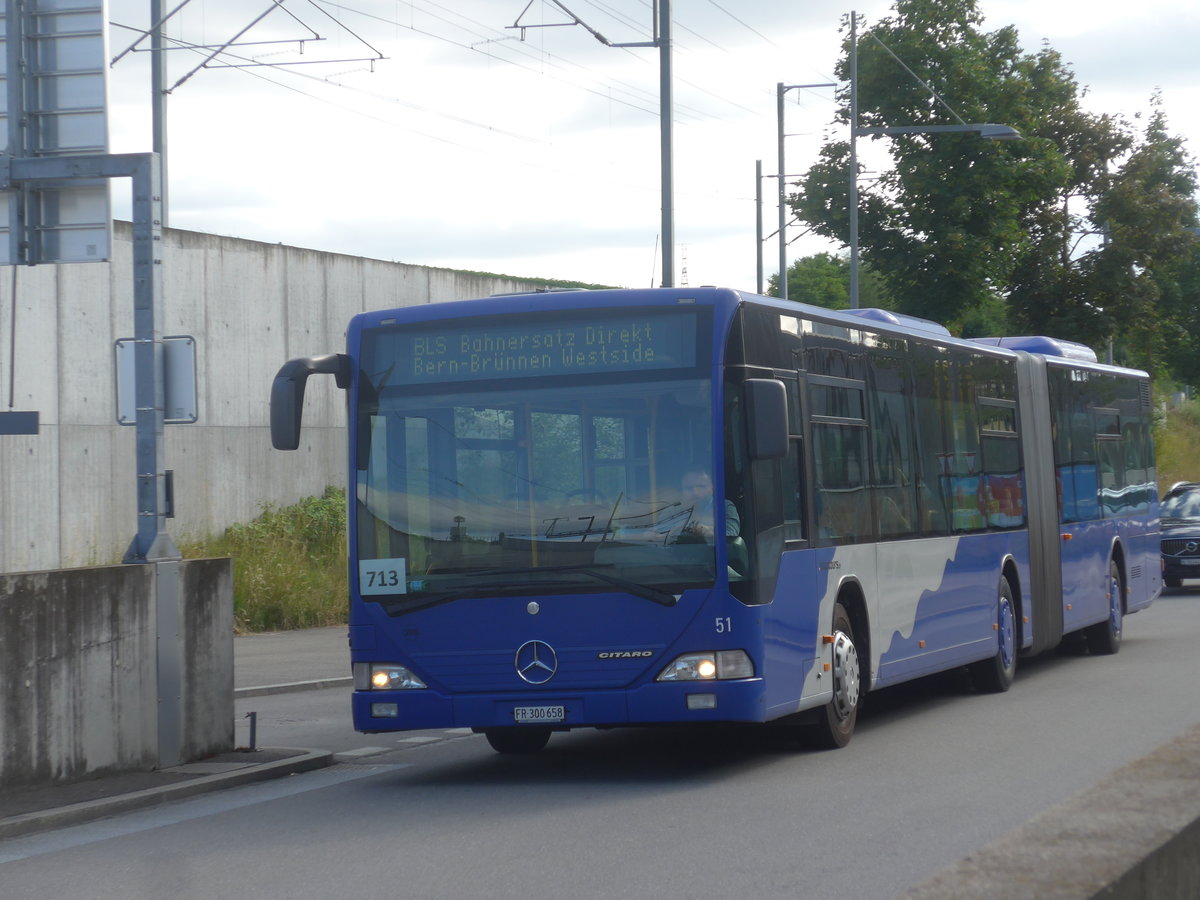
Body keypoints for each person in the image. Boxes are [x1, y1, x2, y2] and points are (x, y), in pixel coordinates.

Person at [678, 469, 740, 541]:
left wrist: (708, 531)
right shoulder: (673, 510)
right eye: (689, 488)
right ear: (682, 490)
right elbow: (662, 535)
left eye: (701, 486)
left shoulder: (723, 506)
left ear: (712, 488)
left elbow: (731, 534)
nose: (695, 492)